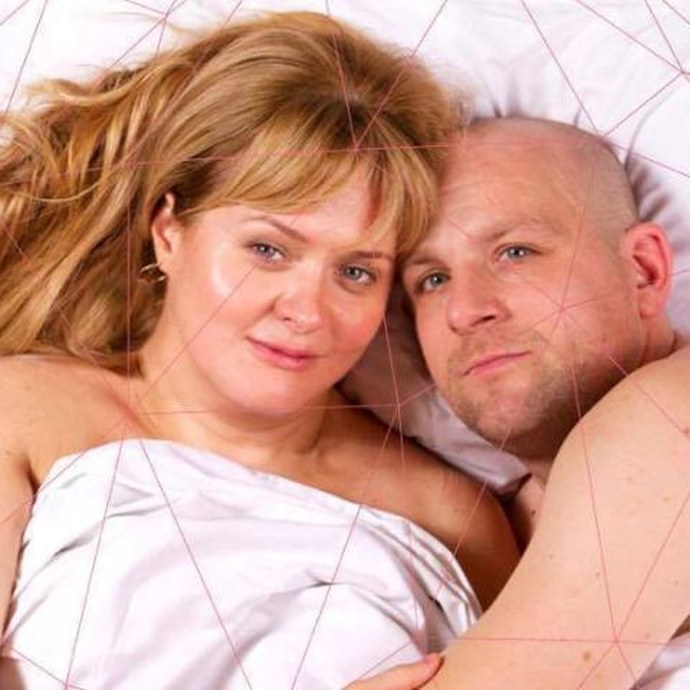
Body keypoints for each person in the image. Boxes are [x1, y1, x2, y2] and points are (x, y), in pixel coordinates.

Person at [0, 14, 519, 689]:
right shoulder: (28, 412)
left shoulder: (450, 517)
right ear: (169, 231)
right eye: (268, 250)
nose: (307, 311)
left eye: (355, 272)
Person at [353, 116, 690, 689]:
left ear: (643, 271)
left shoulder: (672, 413)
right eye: (432, 280)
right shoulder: (470, 519)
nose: (466, 310)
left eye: (514, 252)